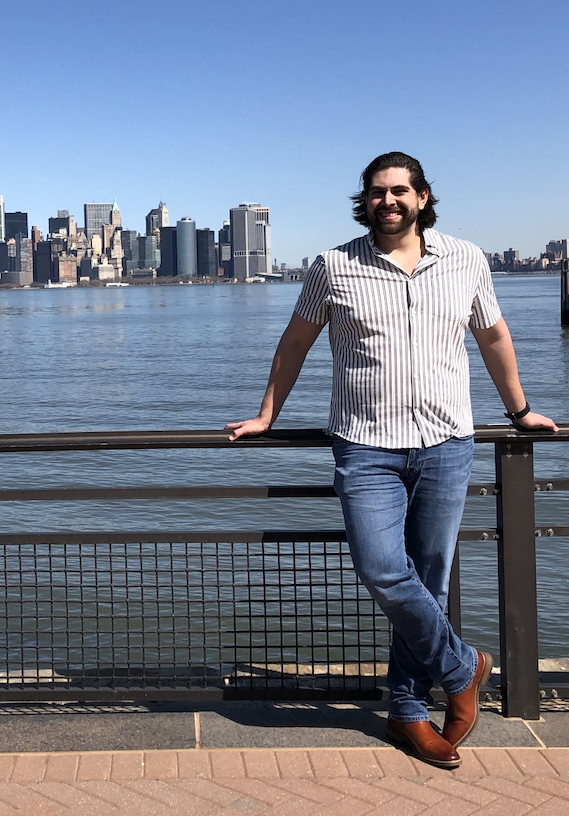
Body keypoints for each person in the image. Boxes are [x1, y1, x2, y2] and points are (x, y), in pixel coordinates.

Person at [226, 151, 558, 770]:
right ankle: (465, 667)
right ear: (366, 200)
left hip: (446, 442)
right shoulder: (333, 266)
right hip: (366, 444)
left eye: (400, 191)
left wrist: (520, 413)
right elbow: (295, 341)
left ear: (423, 197)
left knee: (428, 577)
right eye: (378, 192)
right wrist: (267, 413)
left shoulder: (465, 259)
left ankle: (407, 709)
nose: (389, 202)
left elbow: (492, 336)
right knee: (382, 569)